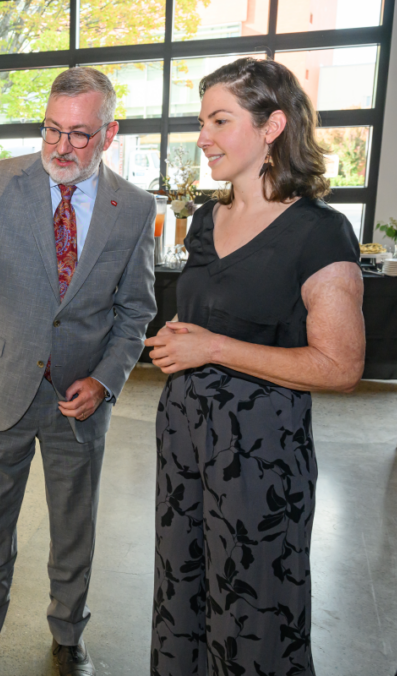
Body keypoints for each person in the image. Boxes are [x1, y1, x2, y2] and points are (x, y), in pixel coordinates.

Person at [0, 68, 157, 676]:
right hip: (0, 388)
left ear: (109, 133)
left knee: (74, 529)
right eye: (51, 129)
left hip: (79, 398)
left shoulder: (134, 209)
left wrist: (105, 381)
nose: (60, 147)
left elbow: (136, 312)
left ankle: (69, 636)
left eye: (79, 134)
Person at [145, 58, 364, 676]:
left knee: (257, 608)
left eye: (220, 120)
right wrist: (180, 337)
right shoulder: (207, 222)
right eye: (201, 120)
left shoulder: (320, 233)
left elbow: (341, 366)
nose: (203, 136)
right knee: (182, 594)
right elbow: (213, 313)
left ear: (272, 126)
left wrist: (212, 347)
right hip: (185, 441)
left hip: (261, 457)